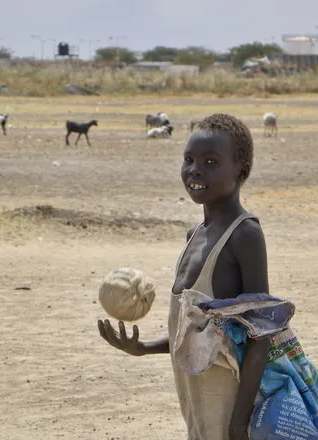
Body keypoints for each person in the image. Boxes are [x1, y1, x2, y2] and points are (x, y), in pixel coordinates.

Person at [98, 113, 269, 440]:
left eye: (210, 161)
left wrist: (238, 425)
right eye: (189, 159)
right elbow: (198, 336)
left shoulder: (244, 234)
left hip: (230, 402)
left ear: (241, 171)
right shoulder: (196, 234)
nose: (195, 170)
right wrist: (144, 348)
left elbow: (261, 336)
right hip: (197, 402)